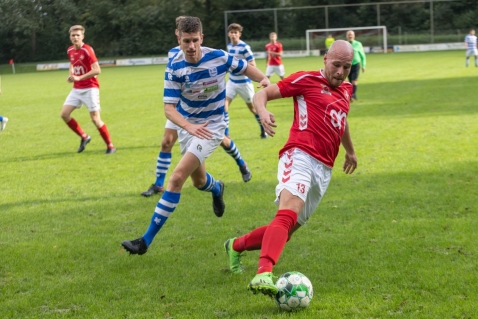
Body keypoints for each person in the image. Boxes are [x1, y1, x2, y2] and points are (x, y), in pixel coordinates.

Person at [121, 16, 270, 255]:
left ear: (202, 38)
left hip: (212, 127)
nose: (191, 46)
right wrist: (188, 127)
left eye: (195, 40)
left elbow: (245, 67)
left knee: (176, 178)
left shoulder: (219, 56)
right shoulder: (174, 66)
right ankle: (216, 188)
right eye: (186, 41)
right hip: (188, 125)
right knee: (198, 181)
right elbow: (169, 108)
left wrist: (262, 78)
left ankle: (144, 241)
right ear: (178, 38)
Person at [223, 40, 358, 297]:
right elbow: (261, 94)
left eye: (346, 67)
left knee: (287, 230)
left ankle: (235, 245)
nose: (340, 72)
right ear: (325, 59)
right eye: (336, 65)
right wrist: (262, 112)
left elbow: (342, 119)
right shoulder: (305, 80)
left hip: (324, 169)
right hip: (299, 155)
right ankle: (263, 272)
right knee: (288, 213)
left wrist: (350, 150)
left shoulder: (346, 88)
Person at [141, 18, 254, 198]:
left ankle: (241, 163)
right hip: (180, 109)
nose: (189, 41)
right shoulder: (173, 55)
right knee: (166, 142)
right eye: (182, 34)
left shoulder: (211, 56)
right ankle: (159, 184)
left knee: (224, 139)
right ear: (177, 34)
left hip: (206, 109)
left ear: (199, 37)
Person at [60, 25, 115, 154]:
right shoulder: (70, 50)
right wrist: (71, 75)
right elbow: (72, 64)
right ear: (70, 37)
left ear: (82, 36)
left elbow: (97, 70)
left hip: (90, 88)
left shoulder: (87, 50)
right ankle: (84, 136)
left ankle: (110, 146)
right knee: (64, 114)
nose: (75, 37)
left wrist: (80, 78)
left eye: (78, 35)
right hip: (76, 89)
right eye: (73, 35)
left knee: (95, 119)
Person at [225, 23, 267, 139]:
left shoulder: (245, 47)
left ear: (239, 34)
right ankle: (226, 134)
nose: (233, 34)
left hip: (244, 83)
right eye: (231, 32)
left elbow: (253, 64)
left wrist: (238, 66)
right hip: (232, 82)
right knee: (224, 106)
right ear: (229, 34)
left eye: (235, 33)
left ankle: (263, 128)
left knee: (253, 109)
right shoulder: (229, 47)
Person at [346, 30, 366, 102]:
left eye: (351, 35)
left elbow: (362, 55)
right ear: (346, 36)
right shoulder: (344, 44)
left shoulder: (358, 44)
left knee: (354, 81)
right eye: (349, 35)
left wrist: (363, 65)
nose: (350, 36)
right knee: (350, 82)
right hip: (347, 65)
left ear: (354, 36)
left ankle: (353, 95)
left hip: (356, 64)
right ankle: (353, 96)